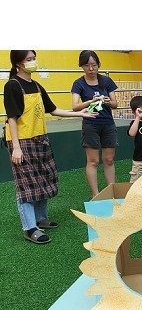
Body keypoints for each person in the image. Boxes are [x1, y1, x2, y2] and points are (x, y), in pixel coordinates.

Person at [4, 50, 98, 244]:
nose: (33, 62)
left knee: (44, 178)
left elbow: (54, 110)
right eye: (29, 60)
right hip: (22, 140)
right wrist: (16, 147)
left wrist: (81, 114)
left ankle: (41, 218)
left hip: (40, 138)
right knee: (26, 185)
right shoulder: (12, 85)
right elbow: (12, 118)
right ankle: (30, 228)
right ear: (18, 64)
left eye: (34, 58)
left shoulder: (36, 86)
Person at [71, 50, 119, 197]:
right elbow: (75, 106)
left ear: (99, 65)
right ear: (81, 66)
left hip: (108, 123)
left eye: (94, 65)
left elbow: (115, 104)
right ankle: (96, 194)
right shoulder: (79, 83)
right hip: (90, 124)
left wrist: (107, 101)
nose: (91, 69)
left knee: (109, 159)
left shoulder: (106, 81)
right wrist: (90, 102)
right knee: (93, 161)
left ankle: (112, 192)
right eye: (86, 65)